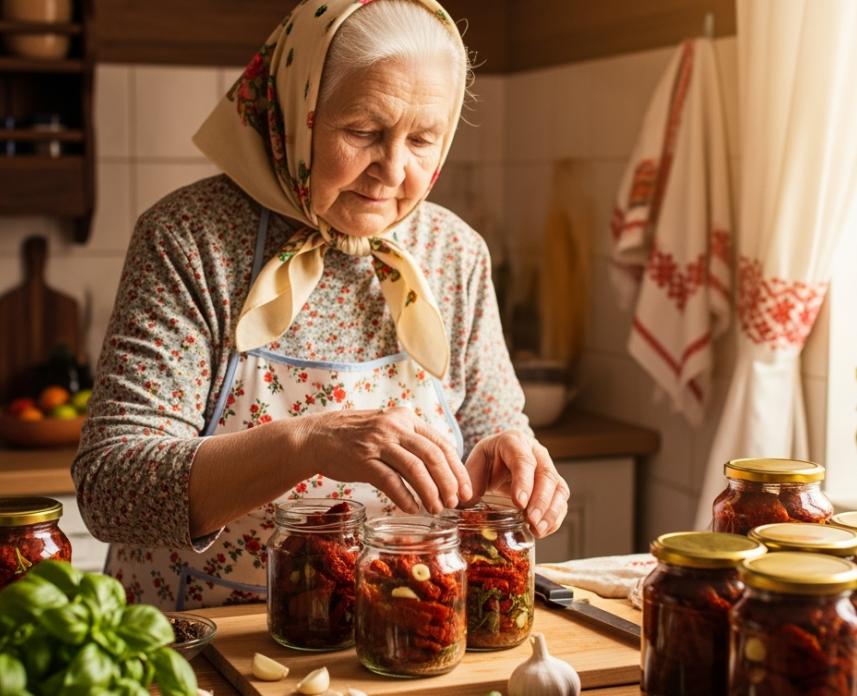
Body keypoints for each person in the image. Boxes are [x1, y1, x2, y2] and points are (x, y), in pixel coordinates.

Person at [73, 0, 570, 610]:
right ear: (296, 111)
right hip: (198, 642)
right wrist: (309, 441)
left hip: (400, 635)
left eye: (422, 139)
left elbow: (491, 431)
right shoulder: (190, 238)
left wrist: (506, 464)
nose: (392, 169)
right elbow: (111, 487)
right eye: (363, 131)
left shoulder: (453, 251)